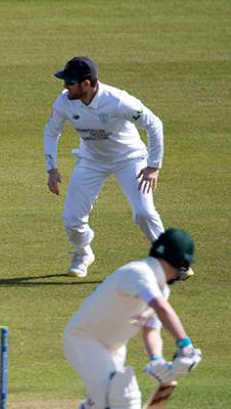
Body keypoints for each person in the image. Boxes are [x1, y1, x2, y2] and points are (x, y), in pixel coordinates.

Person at [43, 56, 183, 278]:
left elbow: (153, 123)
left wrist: (153, 165)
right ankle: (83, 253)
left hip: (129, 159)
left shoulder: (118, 100)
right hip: (91, 161)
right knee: (71, 219)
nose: (64, 86)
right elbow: (52, 131)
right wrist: (51, 168)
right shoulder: (64, 102)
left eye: (69, 82)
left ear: (86, 84)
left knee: (144, 212)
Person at [63, 228, 202, 409]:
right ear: (178, 262)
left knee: (108, 400)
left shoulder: (161, 288)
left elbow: (151, 329)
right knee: (122, 398)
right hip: (85, 340)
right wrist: (185, 345)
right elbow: (161, 308)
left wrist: (156, 359)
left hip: (114, 346)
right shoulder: (139, 273)